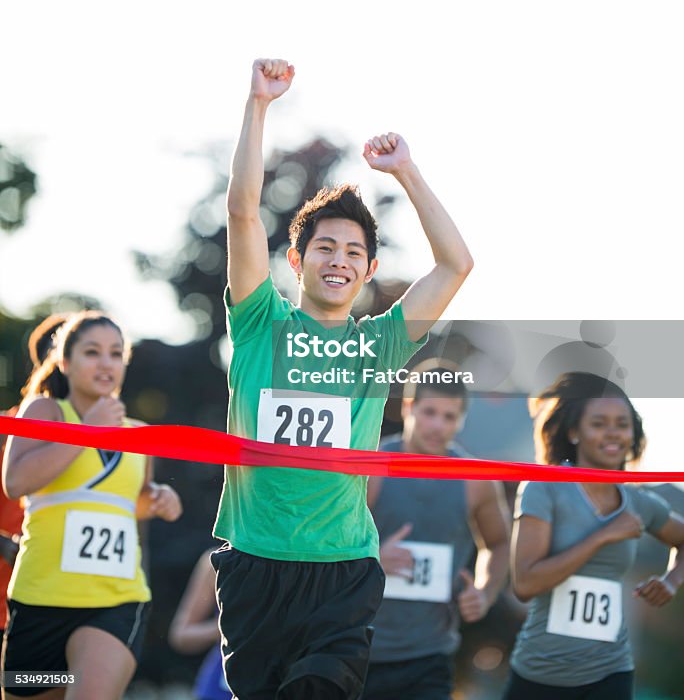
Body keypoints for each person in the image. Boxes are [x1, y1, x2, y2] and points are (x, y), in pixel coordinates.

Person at [211, 57, 474, 700]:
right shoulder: (259, 324)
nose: (340, 260)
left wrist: (406, 171)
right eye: (326, 247)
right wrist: (258, 104)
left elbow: (455, 264)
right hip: (256, 563)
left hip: (344, 570)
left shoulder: (377, 344)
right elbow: (244, 211)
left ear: (368, 269)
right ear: (297, 260)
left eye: (355, 252)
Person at [1, 310, 183, 700]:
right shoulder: (46, 411)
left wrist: (159, 499)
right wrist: (88, 431)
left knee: (89, 693)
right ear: (65, 362)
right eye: (92, 352)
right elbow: (16, 482)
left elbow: (129, 506)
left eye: (116, 354)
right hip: (39, 603)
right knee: (41, 689)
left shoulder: (140, 435)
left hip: (115, 601)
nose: (106, 363)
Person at [502, 372, 684, 700]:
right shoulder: (544, 487)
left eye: (622, 424)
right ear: (574, 431)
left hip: (610, 672)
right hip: (540, 673)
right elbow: (526, 584)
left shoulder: (639, 503)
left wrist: (671, 581)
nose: (613, 433)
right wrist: (603, 536)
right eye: (599, 423)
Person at [362, 358, 511, 700]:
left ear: (461, 420)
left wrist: (485, 594)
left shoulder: (477, 481)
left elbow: (499, 543)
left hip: (430, 655)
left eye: (449, 417)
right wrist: (371, 557)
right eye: (430, 412)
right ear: (409, 407)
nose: (438, 426)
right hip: (359, 647)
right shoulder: (372, 468)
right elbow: (327, 544)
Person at [0, 315, 72, 631]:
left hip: (75, 606)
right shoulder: (5, 430)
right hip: (8, 605)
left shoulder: (109, 436)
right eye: (86, 351)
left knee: (71, 681)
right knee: (22, 681)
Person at [169, 549, 232, 700]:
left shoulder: (295, 561)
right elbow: (181, 635)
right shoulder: (218, 560)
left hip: (281, 680)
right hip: (220, 685)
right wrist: (227, 627)